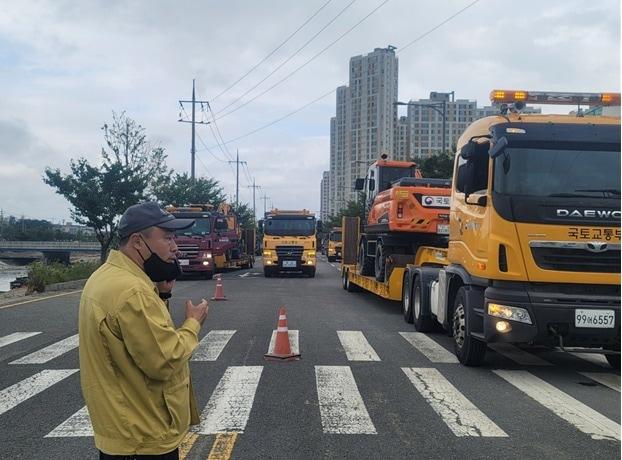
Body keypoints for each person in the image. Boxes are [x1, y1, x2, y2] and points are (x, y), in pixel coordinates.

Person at [79, 202, 209, 459]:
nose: (175, 247)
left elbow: (135, 340)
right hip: (143, 439)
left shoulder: (105, 276)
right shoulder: (133, 291)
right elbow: (164, 359)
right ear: (138, 241)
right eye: (168, 238)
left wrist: (161, 295)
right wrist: (193, 323)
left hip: (122, 431)